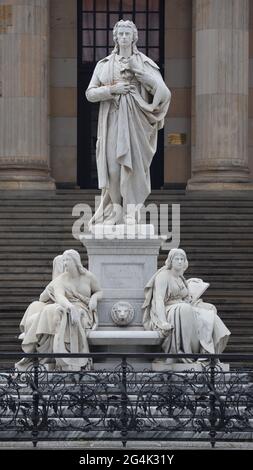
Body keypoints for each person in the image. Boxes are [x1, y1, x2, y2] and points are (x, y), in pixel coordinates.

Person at [86, 20, 171, 225]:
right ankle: (116, 210)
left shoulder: (144, 63)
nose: (124, 37)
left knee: (133, 168)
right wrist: (112, 90)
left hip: (136, 122)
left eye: (127, 34)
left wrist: (139, 74)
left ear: (134, 37)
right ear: (115, 37)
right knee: (113, 168)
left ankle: (131, 212)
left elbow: (163, 92)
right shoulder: (104, 64)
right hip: (112, 121)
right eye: (120, 34)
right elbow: (90, 93)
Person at [16, 250, 102, 371]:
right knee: (49, 309)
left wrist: (94, 298)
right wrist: (70, 307)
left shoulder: (88, 276)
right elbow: (60, 296)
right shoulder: (61, 279)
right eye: (64, 261)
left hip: (83, 310)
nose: (65, 263)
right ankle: (43, 356)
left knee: (52, 310)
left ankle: (50, 357)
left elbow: (99, 291)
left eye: (68, 260)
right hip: (67, 307)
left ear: (76, 261)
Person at [142, 248, 231, 362]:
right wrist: (163, 322)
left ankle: (206, 351)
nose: (179, 261)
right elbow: (159, 300)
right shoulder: (163, 275)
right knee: (185, 309)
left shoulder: (181, 277)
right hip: (168, 310)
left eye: (182, 259)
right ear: (170, 260)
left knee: (210, 309)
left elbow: (185, 297)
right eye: (177, 259)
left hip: (184, 306)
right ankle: (187, 353)